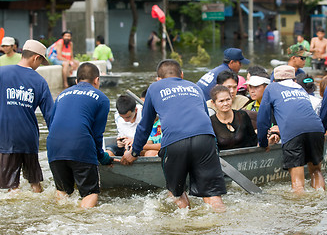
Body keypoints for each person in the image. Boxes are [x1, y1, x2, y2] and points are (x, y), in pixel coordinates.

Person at [121, 59, 227, 212]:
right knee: (213, 195)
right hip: (205, 138)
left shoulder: (154, 87)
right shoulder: (194, 86)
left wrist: (135, 151)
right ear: (181, 75)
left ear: (158, 78)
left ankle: (186, 221)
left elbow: (145, 126)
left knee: (176, 192)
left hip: (175, 142)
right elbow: (205, 116)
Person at [47, 62, 118, 208]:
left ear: (76, 79)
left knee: (62, 190)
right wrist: (102, 157)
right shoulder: (101, 98)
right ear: (97, 80)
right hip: (80, 145)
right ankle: (80, 223)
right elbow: (97, 134)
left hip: (54, 147)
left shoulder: (62, 94)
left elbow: (52, 122)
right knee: (90, 193)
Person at [257, 65, 325, 193]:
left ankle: (300, 210)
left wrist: (263, 142)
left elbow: (262, 119)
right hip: (316, 128)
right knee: (316, 171)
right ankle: (321, 200)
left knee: (298, 182)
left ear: (274, 80)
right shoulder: (300, 88)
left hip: (293, 131)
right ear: (294, 79)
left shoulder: (271, 88)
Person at [0, 39, 53, 193]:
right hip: (29, 139)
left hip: (6, 137)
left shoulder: (2, 73)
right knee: (35, 182)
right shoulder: (40, 82)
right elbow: (50, 115)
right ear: (36, 58)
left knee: (12, 187)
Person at [210, 85, 257, 150]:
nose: (226, 103)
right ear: (213, 103)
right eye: (221, 101)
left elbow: (253, 139)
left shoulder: (242, 116)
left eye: (228, 99)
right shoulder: (211, 122)